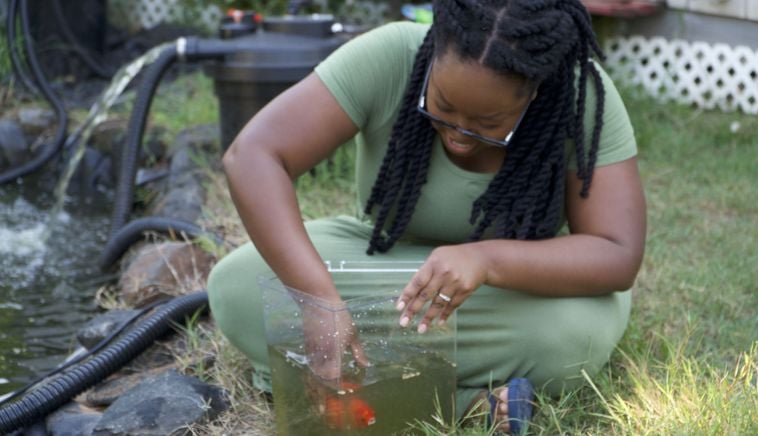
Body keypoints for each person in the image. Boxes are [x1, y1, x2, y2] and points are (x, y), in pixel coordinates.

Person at [207, 0, 646, 433]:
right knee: (239, 286)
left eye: (487, 121)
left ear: (535, 91)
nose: (457, 134)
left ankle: (358, 390)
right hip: (388, 265)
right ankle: (471, 402)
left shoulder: (578, 94)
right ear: (434, 50)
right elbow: (253, 156)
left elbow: (616, 253)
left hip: (507, 290)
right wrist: (320, 302)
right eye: (442, 105)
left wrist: (486, 261)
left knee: (575, 334)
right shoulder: (390, 54)